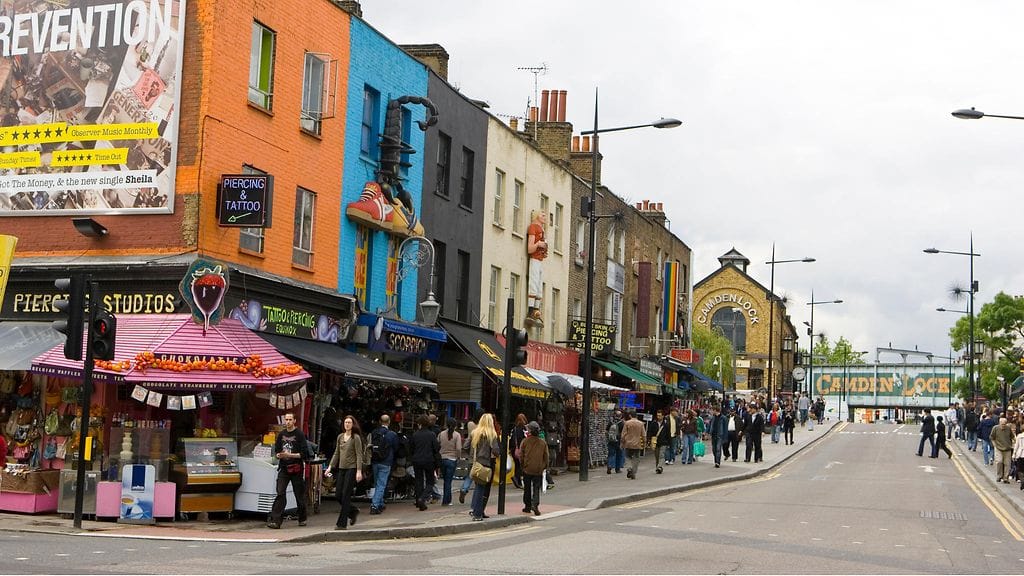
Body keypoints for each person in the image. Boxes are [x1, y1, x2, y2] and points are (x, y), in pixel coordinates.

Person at [268, 413, 309, 529]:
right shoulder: (281, 434)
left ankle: (302, 517)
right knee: (280, 492)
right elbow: (277, 450)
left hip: (296, 468)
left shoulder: (299, 434)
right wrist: (279, 455)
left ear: (294, 420)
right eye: (286, 419)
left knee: (299, 494)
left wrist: (290, 455)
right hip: (284, 468)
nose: (288, 422)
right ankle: (276, 520)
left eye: (290, 419)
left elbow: (304, 454)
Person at [324, 414, 364, 530]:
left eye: (349, 423)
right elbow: (336, 453)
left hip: (351, 468)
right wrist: (330, 467)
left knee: (346, 495)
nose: (347, 424)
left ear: (353, 424)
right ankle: (353, 511)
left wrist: (359, 471)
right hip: (341, 468)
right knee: (338, 495)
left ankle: (341, 523)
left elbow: (359, 454)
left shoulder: (355, 437)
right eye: (346, 422)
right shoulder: (340, 437)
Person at [469, 413, 499, 521]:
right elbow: (496, 451)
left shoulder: (474, 433)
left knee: (478, 487)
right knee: (482, 489)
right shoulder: (492, 434)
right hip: (486, 464)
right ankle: (477, 514)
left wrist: (472, 456)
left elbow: (466, 446)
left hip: (476, 463)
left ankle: (475, 510)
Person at [408, 415, 440, 511]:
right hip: (429, 460)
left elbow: (411, 448)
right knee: (430, 481)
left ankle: (419, 500)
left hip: (417, 460)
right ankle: (423, 498)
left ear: (420, 424)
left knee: (419, 481)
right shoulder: (432, 435)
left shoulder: (415, 435)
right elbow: (436, 448)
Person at [368, 414, 398, 514]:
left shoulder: (374, 432)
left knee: (377, 483)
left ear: (380, 422)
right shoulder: (392, 434)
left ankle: (380, 503)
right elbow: (396, 448)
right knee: (381, 484)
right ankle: (375, 505)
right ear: (389, 422)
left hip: (375, 460)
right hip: (386, 461)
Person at [520, 421, 549, 516]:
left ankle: (527, 506)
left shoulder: (525, 441)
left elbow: (521, 455)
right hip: (538, 469)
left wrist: (522, 465)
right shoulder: (543, 443)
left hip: (527, 468)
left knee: (527, 488)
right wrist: (545, 466)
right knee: (536, 487)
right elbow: (546, 456)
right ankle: (535, 504)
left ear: (530, 431)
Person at [524, 210, 548, 327]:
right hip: (534, 259)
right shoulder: (533, 227)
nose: (545, 217)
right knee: (533, 284)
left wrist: (544, 250)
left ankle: (536, 311)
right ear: (537, 215)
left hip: (540, 260)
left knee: (539, 287)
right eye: (543, 215)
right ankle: (530, 311)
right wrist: (538, 244)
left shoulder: (542, 230)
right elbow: (530, 249)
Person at [459, 409, 485, 504]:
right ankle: (476, 499)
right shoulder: (483, 427)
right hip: (481, 455)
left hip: (472, 453)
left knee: (469, 475)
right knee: (479, 478)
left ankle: (464, 488)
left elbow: (467, 442)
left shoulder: (470, 424)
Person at [438, 417, 462, 506]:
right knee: (449, 481)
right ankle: (447, 500)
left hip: (442, 458)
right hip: (452, 459)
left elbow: (437, 444)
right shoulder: (457, 435)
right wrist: (458, 457)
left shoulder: (441, 434)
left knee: (445, 480)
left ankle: (446, 499)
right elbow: (458, 448)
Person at [620, 410, 646, 479]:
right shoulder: (641, 424)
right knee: (636, 458)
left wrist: (622, 442)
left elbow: (623, 434)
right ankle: (634, 472)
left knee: (627, 456)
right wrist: (644, 442)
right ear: (636, 416)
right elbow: (643, 434)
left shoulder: (627, 423)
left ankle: (629, 467)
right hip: (637, 444)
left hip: (628, 443)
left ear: (630, 416)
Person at [991, 417, 1015, 484]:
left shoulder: (1008, 428)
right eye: (1002, 424)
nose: (1003, 426)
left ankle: (1005, 478)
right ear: (999, 423)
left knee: (1007, 464)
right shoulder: (995, 428)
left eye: (1004, 424)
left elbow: (1012, 437)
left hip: (1007, 449)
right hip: (998, 448)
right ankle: (999, 476)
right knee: (999, 461)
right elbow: (992, 437)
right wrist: (994, 445)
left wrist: (1014, 444)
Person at [510, 413, 528, 489]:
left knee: (517, 465)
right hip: (522, 449)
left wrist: (511, 448)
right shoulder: (525, 429)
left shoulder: (514, 429)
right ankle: (516, 477)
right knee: (522, 465)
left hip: (515, 450)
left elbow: (511, 440)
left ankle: (518, 481)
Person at [606, 410, 625, 474]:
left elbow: (606, 431)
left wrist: (608, 438)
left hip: (611, 441)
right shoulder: (622, 423)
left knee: (610, 454)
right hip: (619, 441)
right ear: (621, 416)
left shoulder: (610, 422)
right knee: (619, 455)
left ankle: (609, 466)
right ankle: (617, 469)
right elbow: (623, 433)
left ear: (614, 415)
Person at [1012, 425, 1024, 490]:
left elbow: (1016, 446)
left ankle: (1022, 480)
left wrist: (1014, 454)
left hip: (1020, 455)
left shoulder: (1019, 436)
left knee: (1020, 469)